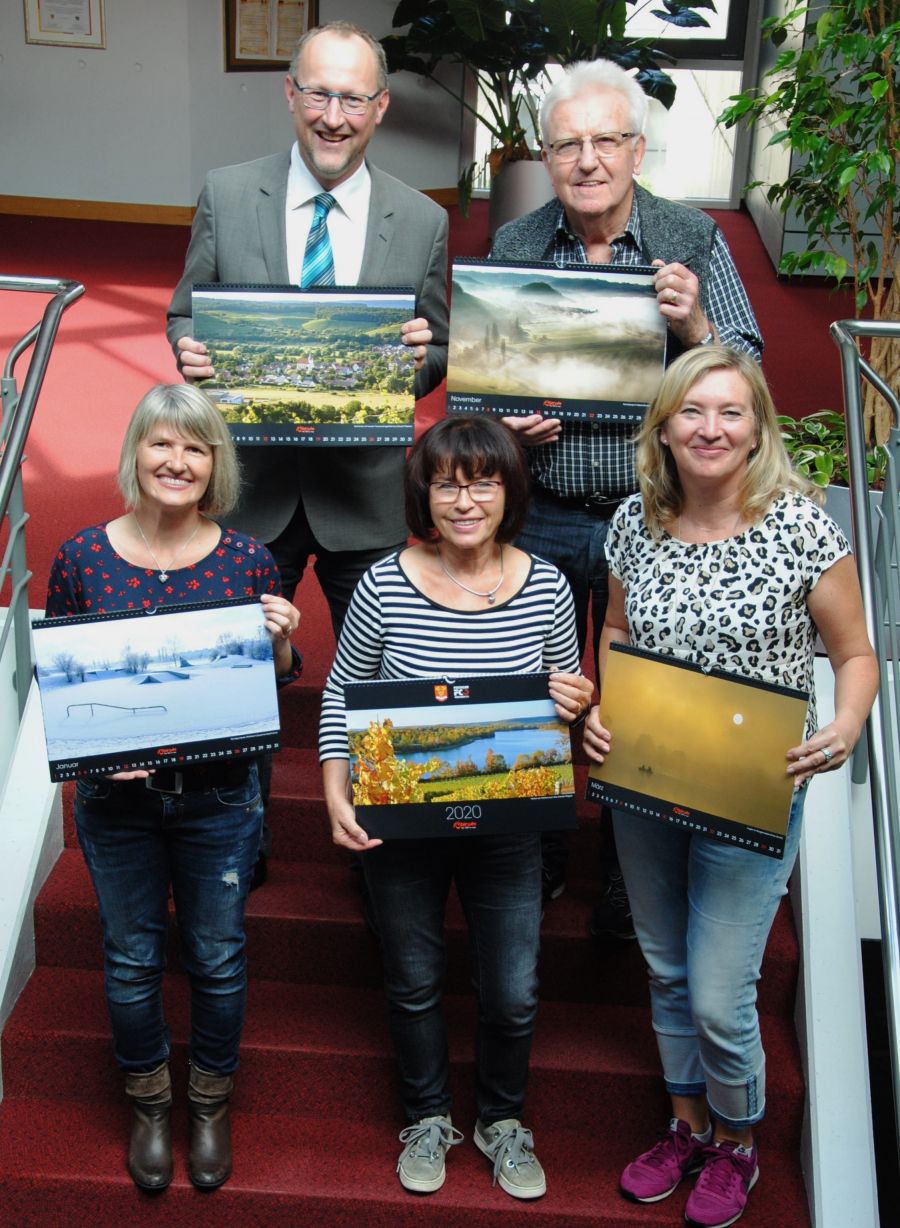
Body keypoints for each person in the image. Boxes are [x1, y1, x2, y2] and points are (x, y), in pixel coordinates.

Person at [582, 347, 877, 1228]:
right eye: (692, 412)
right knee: (667, 967)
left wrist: (849, 725)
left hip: (752, 789)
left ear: (758, 430)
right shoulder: (635, 521)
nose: (711, 429)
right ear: (664, 427)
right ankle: (686, 1124)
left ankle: (739, 1144)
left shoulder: (802, 529)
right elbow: (615, 628)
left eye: (731, 413)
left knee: (718, 989)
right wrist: (605, 708)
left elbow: (855, 653)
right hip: (646, 777)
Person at [490, 57, 763, 929]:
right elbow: (482, 386)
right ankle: (535, 848)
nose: (588, 160)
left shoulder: (692, 237)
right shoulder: (518, 245)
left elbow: (749, 379)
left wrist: (696, 325)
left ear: (637, 149)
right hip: (544, 510)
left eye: (606, 140)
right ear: (546, 154)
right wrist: (507, 429)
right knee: (531, 682)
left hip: (656, 517)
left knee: (639, 695)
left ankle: (623, 864)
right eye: (568, 144)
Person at [319, 416, 593, 1200]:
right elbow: (343, 691)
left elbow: (560, 699)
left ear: (510, 490)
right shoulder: (382, 582)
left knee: (512, 990)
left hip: (507, 826)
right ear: (424, 493)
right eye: (447, 482)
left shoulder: (545, 584)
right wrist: (338, 790)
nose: (465, 499)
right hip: (400, 824)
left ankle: (502, 1121)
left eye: (484, 481)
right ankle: (429, 1114)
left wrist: (572, 702)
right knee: (411, 979)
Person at [45, 384, 302, 1193]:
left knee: (219, 959)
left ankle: (209, 1101)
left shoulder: (248, 558)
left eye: (196, 448)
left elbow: (272, 687)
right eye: (163, 444)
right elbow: (63, 689)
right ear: (137, 453)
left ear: (214, 464)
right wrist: (94, 758)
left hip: (218, 801)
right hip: (116, 806)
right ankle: (151, 1102)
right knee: (129, 961)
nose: (177, 462)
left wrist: (286, 646)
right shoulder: (82, 557)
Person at [167, 19, 449, 633]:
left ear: (380, 107)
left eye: (352, 99)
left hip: (364, 497)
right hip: (250, 488)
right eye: (319, 94)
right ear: (290, 94)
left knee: (378, 677)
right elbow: (185, 310)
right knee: (242, 667)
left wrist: (409, 366)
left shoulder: (423, 220)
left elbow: (440, 349)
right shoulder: (229, 194)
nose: (334, 116)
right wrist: (189, 352)